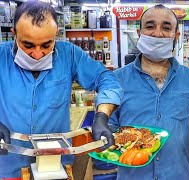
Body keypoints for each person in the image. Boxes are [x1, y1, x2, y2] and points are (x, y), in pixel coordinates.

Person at [0, 1, 123, 178]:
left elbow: (107, 79)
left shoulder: (69, 55)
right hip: (7, 166)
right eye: (27, 45)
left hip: (57, 167)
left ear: (56, 35)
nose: (37, 54)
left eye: (46, 45)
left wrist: (102, 116)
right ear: (14, 34)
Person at [109, 4, 189, 180]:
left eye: (166, 27)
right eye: (150, 26)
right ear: (139, 33)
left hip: (178, 174)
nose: (157, 33)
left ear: (176, 36)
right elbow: (108, 126)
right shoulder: (116, 80)